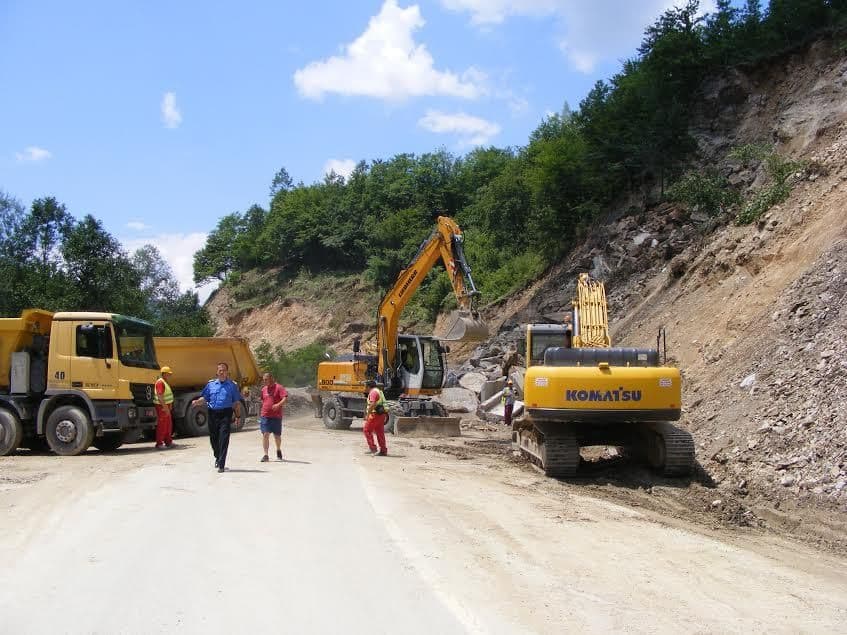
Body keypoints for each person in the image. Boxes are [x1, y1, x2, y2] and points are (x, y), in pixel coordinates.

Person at [192, 362, 242, 473]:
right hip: (212, 414)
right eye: (220, 370)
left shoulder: (232, 386)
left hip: (226, 414)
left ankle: (221, 464)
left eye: (224, 370)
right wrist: (196, 402)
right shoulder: (211, 385)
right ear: (217, 372)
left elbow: (236, 403)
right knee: (213, 438)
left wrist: (238, 416)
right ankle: (217, 456)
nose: (222, 372)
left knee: (224, 438)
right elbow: (205, 398)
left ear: (227, 372)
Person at [259, 372, 288, 462]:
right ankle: (265, 455)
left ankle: (278, 450)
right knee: (265, 434)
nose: (264, 381)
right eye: (263, 380)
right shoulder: (263, 389)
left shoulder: (279, 387)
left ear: (271, 378)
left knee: (277, 436)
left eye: (266, 379)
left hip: (276, 416)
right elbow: (262, 400)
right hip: (265, 416)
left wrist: (278, 405)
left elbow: (285, 398)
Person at [363, 379, 388, 456]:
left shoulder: (373, 392)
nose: (364, 388)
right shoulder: (379, 391)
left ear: (368, 387)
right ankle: (383, 450)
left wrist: (368, 414)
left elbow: (373, 404)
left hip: (375, 414)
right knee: (380, 433)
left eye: (365, 386)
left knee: (366, 430)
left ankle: (373, 448)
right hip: (382, 414)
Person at [154, 366, 175, 449]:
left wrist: (169, 406)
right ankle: (159, 443)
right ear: (164, 374)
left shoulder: (164, 382)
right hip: (162, 407)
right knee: (162, 425)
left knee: (168, 425)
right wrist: (165, 407)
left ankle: (168, 442)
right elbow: (160, 396)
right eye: (168, 374)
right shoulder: (160, 382)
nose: (170, 375)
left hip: (165, 407)